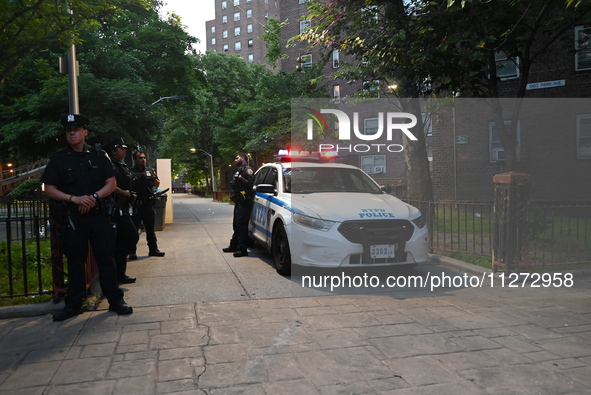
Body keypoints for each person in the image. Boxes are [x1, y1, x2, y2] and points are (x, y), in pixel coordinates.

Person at [41, 114, 133, 321]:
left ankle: (115, 301)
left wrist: (92, 198)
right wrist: (74, 199)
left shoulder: (99, 155)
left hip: (99, 216)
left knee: (106, 259)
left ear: (85, 132)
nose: (72, 133)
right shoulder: (59, 158)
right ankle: (73, 305)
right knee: (75, 262)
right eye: (68, 130)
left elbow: (111, 183)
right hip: (74, 218)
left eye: (77, 129)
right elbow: (49, 189)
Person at [104, 137, 139, 284]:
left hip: (124, 207)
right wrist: (123, 192)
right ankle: (115, 273)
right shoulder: (110, 165)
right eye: (121, 148)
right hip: (116, 208)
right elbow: (109, 183)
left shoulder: (121, 165)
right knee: (130, 237)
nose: (124, 150)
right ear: (113, 151)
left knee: (124, 239)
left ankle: (120, 274)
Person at [129, 151, 165, 258]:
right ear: (135, 160)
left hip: (148, 204)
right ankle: (132, 251)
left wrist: (154, 178)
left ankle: (153, 249)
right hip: (136, 205)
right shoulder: (130, 172)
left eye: (144, 157)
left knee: (150, 229)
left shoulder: (149, 171)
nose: (143, 159)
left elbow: (157, 183)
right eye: (140, 158)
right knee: (134, 230)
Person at [223, 153, 255, 257]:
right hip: (238, 202)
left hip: (244, 202)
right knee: (236, 225)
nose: (235, 160)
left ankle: (242, 249)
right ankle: (234, 246)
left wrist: (241, 179)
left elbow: (251, 185)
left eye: (236, 158)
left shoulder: (247, 170)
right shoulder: (239, 170)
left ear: (242, 158)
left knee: (241, 226)